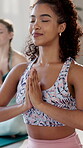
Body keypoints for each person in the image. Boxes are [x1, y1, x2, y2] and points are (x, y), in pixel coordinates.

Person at [0, 0, 83, 147]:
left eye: (44, 20)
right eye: (32, 20)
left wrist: (40, 104)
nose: (35, 26)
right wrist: (23, 107)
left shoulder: (74, 72)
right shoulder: (20, 71)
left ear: (61, 27)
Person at [0, 19, 27, 136]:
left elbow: (24, 93)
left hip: (14, 107)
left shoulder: (19, 60)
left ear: (11, 35)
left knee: (14, 125)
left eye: (0, 32)